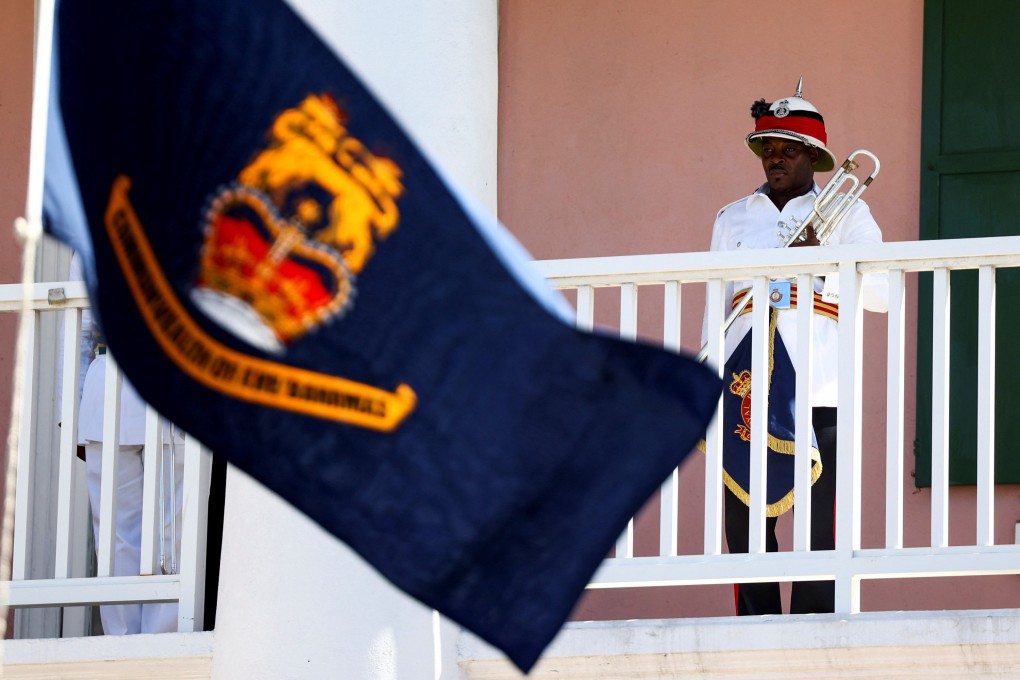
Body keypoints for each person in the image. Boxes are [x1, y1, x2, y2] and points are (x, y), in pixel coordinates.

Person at [702, 81, 888, 615]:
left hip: (818, 385)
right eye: (768, 149)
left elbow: (881, 292)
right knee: (744, 520)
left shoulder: (848, 216)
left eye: (788, 149)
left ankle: (813, 628)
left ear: (815, 157)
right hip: (744, 388)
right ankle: (755, 627)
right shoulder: (731, 218)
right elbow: (714, 309)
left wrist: (821, 260)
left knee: (817, 521)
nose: (775, 159)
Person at [70, 253, 186, 634]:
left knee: (173, 531)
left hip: (174, 387)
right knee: (117, 534)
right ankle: (120, 641)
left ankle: (162, 642)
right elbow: (78, 327)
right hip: (108, 389)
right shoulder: (87, 222)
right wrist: (71, 415)